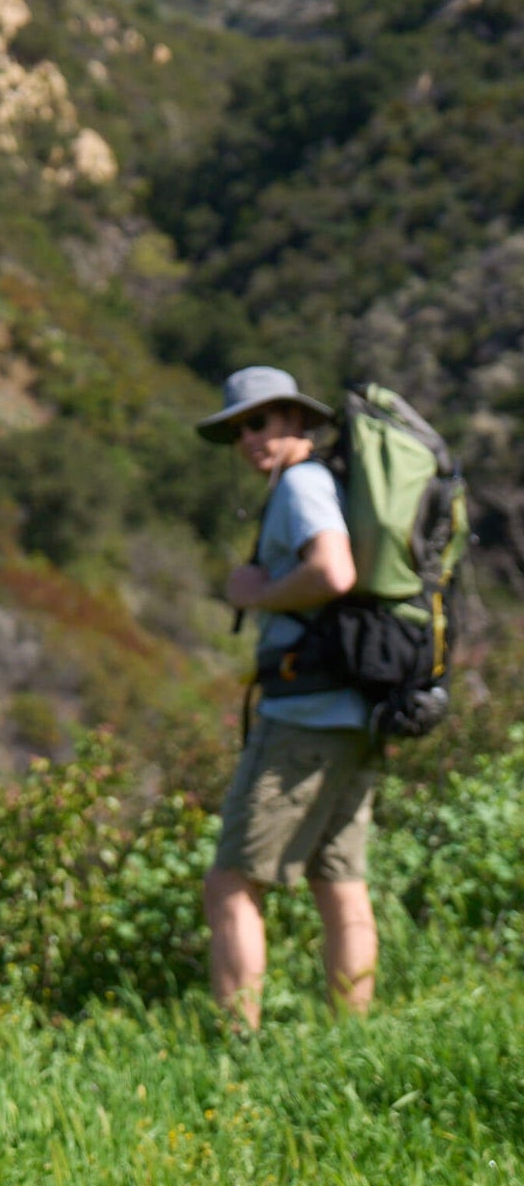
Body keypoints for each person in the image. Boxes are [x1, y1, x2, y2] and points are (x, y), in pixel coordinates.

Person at [196, 365, 379, 1031]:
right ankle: (350, 1039)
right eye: (240, 428)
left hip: (306, 716)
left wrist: (256, 594)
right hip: (353, 712)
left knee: (231, 883)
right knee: (339, 881)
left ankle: (235, 1045)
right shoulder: (317, 481)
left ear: (296, 421)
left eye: (262, 421)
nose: (249, 438)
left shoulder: (301, 484)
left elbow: (333, 569)